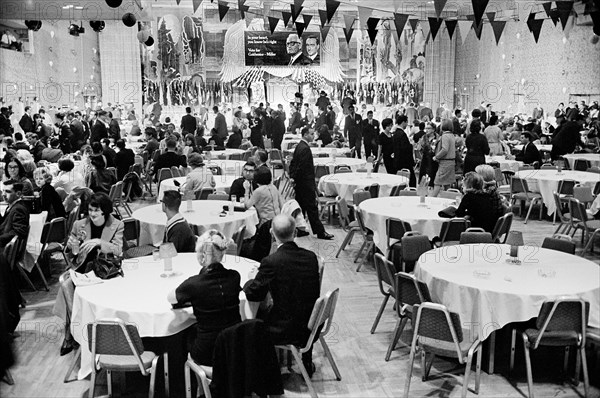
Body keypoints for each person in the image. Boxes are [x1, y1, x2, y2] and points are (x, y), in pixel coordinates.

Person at [244, 214, 320, 376]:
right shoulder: (311, 257)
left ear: (272, 233)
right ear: (295, 232)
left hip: (287, 329)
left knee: (254, 320)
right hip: (312, 323)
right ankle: (306, 359)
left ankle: (264, 374)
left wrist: (250, 280)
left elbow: (253, 293)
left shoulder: (271, 262)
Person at [54, 192, 124, 355]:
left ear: (105, 211)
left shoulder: (117, 224)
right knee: (66, 286)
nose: (92, 214)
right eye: (90, 210)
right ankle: (73, 331)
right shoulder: (79, 224)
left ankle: (101, 333)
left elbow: (119, 251)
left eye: (96, 210)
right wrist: (73, 247)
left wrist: (100, 243)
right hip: (82, 268)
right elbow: (72, 254)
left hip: (106, 269)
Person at [167, 230, 240, 366]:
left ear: (201, 257)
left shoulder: (194, 284)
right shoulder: (235, 277)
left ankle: (179, 377)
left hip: (207, 353)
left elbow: (171, 298)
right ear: (222, 254)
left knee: (181, 334)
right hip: (235, 347)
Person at [289, 127, 333, 240]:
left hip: (300, 182)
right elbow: (302, 167)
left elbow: (293, 164)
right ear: (305, 135)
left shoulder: (299, 146)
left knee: (301, 207)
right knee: (312, 208)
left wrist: (293, 177)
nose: (314, 136)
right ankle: (320, 232)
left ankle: (299, 229)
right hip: (305, 183)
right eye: (311, 134)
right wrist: (295, 178)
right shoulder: (305, 148)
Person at [0, 181, 30, 246]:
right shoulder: (13, 205)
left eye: (7, 191)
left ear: (18, 194)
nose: (3, 194)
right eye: (3, 191)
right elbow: (4, 223)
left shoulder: (18, 209)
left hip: (6, 250)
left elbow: (18, 232)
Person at [431, 119, 456, 197]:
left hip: (445, 162)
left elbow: (445, 149)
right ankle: (448, 198)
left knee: (437, 182)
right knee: (447, 183)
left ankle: (432, 198)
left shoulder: (445, 136)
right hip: (451, 162)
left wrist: (436, 156)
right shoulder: (452, 136)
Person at [392, 115, 416, 186]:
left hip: (397, 160)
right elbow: (405, 148)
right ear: (403, 122)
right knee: (411, 180)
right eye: (406, 122)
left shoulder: (396, 133)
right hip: (404, 161)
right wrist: (411, 145)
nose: (407, 124)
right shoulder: (402, 134)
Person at [417, 122, 439, 187]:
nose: (426, 130)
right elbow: (419, 148)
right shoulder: (423, 137)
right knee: (423, 178)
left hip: (433, 160)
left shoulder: (438, 138)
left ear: (433, 129)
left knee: (432, 178)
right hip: (425, 159)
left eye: (428, 128)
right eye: (426, 128)